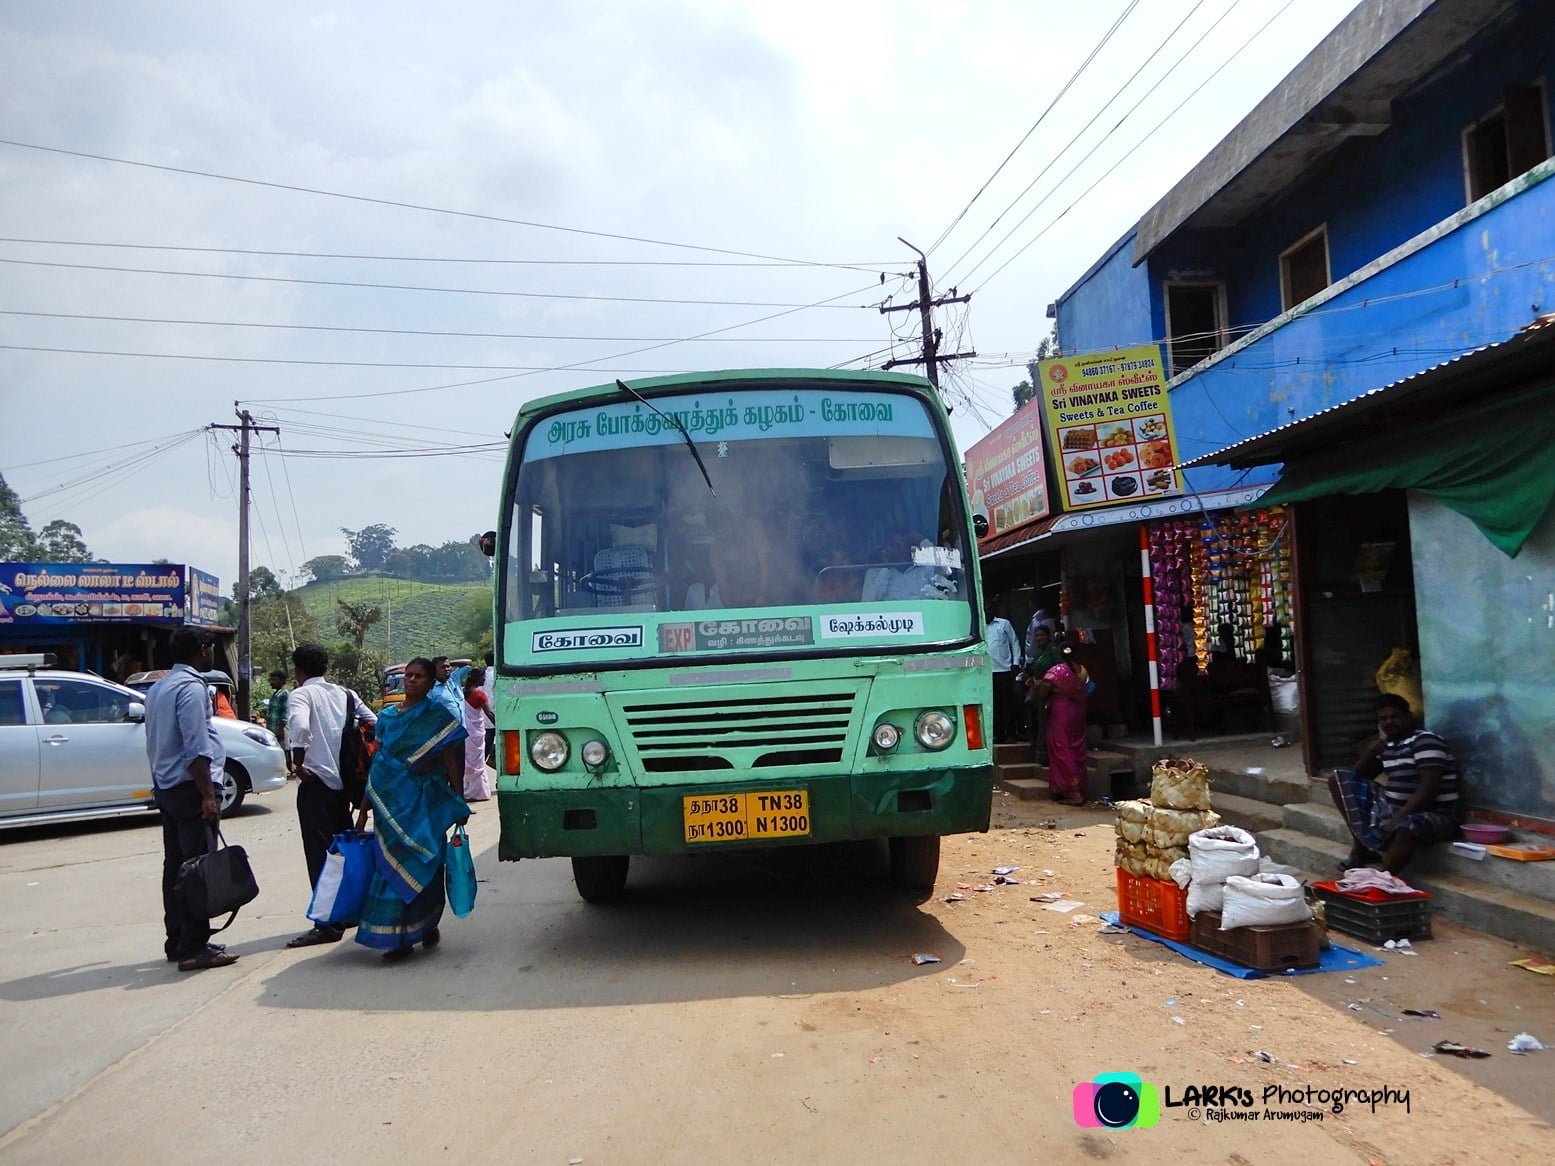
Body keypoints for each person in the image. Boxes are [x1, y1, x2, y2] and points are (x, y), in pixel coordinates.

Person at [353, 657, 469, 962]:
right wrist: (363, 809)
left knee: (427, 862)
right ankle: (396, 938)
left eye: (419, 676)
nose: (412, 680)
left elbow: (450, 760)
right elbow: (378, 764)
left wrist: (458, 799)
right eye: (409, 675)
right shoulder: (387, 718)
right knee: (389, 868)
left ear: (431, 683)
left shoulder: (436, 715)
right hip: (389, 804)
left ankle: (426, 924)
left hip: (424, 803)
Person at [143, 628, 237, 972]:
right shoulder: (191, 688)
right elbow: (196, 747)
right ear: (202, 650)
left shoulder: (159, 687)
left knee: (175, 867)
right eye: (210, 648)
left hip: (167, 788)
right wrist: (208, 796)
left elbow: (154, 741)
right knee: (197, 869)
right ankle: (195, 946)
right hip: (189, 788)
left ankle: (178, 939)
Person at [284, 642, 378, 949]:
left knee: (319, 856)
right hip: (345, 785)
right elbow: (375, 722)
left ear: (297, 671)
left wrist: (297, 760)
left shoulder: (301, 694)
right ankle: (349, 911)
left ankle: (327, 923)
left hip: (316, 784)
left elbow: (298, 725)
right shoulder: (346, 694)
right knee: (341, 852)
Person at [1327, 693, 1463, 875]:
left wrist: (1397, 817)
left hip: (1435, 812)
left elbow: (1429, 788)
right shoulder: (1389, 744)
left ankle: (1382, 879)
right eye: (1383, 719)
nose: (1389, 722)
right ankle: (1362, 848)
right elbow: (1359, 775)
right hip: (1392, 806)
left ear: (1408, 716)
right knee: (1339, 779)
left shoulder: (1425, 741)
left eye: (1394, 717)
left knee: (1404, 827)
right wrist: (1369, 754)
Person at [1035, 643, 1089, 806]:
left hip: (1062, 713)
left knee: (1062, 749)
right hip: (1078, 712)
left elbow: (1044, 691)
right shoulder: (1082, 670)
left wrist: (1036, 686)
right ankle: (1077, 788)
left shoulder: (1057, 671)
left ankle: (1073, 792)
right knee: (1077, 748)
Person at [1021, 624, 1063, 765]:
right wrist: (1033, 680)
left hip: (1051, 693)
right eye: (1037, 635)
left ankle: (1051, 756)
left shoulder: (1052, 650)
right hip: (1040, 692)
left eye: (1042, 635)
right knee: (1038, 723)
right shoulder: (1039, 652)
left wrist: (1045, 681)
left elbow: (1059, 669)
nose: (1039, 638)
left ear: (1048, 636)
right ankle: (1041, 756)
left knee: (1048, 724)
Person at [985, 605, 1023, 743]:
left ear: (993, 611)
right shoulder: (979, 626)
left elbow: (1014, 642)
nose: (987, 612)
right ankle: (998, 734)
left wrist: (1015, 662)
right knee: (993, 704)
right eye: (985, 610)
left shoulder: (1004, 624)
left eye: (989, 609)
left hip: (1005, 670)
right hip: (987, 671)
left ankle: (1011, 734)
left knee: (1007, 703)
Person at [461, 668, 495, 801]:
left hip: (466, 733)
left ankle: (467, 790)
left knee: (468, 762)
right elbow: (489, 713)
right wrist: (498, 726)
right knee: (478, 763)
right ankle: (478, 792)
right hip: (476, 734)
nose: (485, 679)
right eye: (483, 677)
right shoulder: (480, 695)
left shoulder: (464, 692)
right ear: (478, 678)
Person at [430, 655, 463, 720]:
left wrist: (451, 662)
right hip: (447, 728)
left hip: (464, 727)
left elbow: (468, 663)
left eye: (448, 666)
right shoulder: (430, 689)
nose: (446, 669)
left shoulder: (454, 679)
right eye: (442, 667)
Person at [264, 669, 289, 750]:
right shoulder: (275, 694)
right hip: (272, 730)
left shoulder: (284, 694)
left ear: (282, 681)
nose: (271, 682)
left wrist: (280, 730)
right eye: (271, 680)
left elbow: (285, 713)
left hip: (279, 732)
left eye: (274, 680)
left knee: (282, 752)